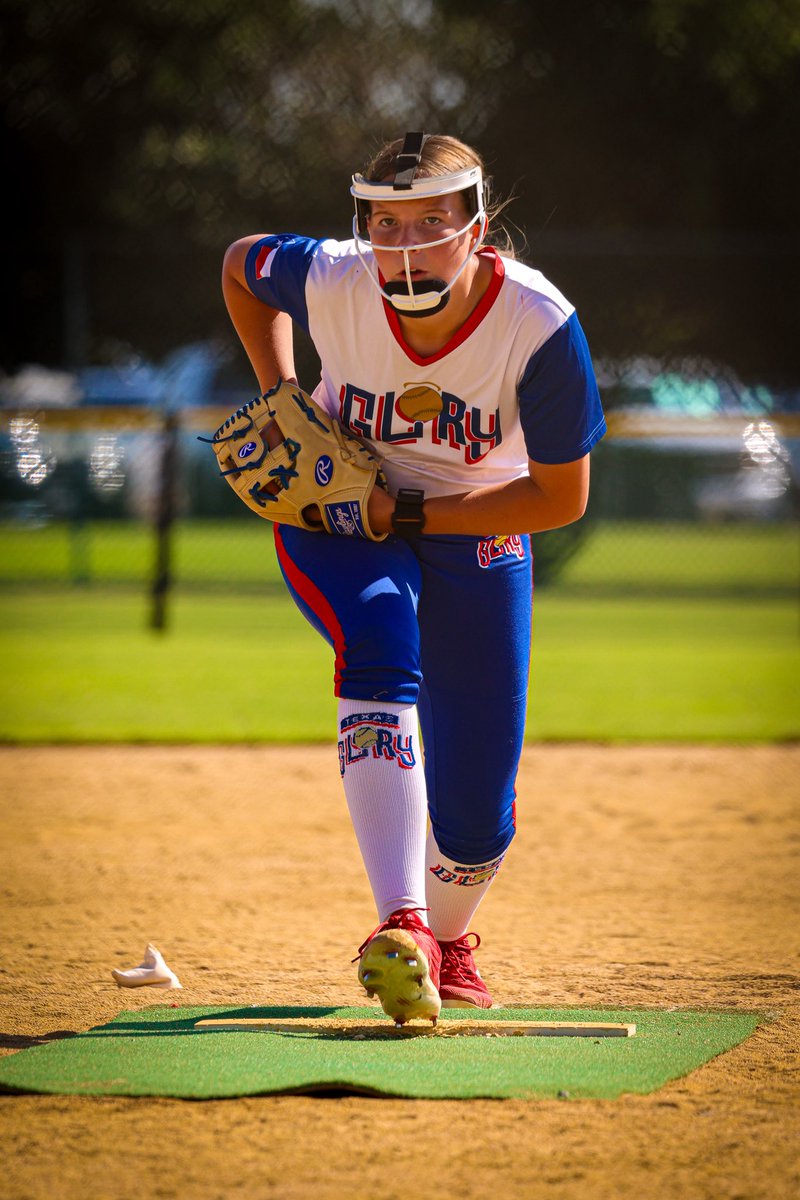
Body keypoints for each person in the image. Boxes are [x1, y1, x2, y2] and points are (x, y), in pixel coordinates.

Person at [221, 132, 605, 1024]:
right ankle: (401, 922)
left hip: (477, 526)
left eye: (431, 222)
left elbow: (560, 498)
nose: (404, 244)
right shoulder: (334, 277)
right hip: (340, 514)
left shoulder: (538, 323)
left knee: (478, 819)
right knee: (381, 637)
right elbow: (242, 266)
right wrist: (282, 394)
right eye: (386, 223)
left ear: (477, 227)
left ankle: (445, 940)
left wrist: (409, 515)